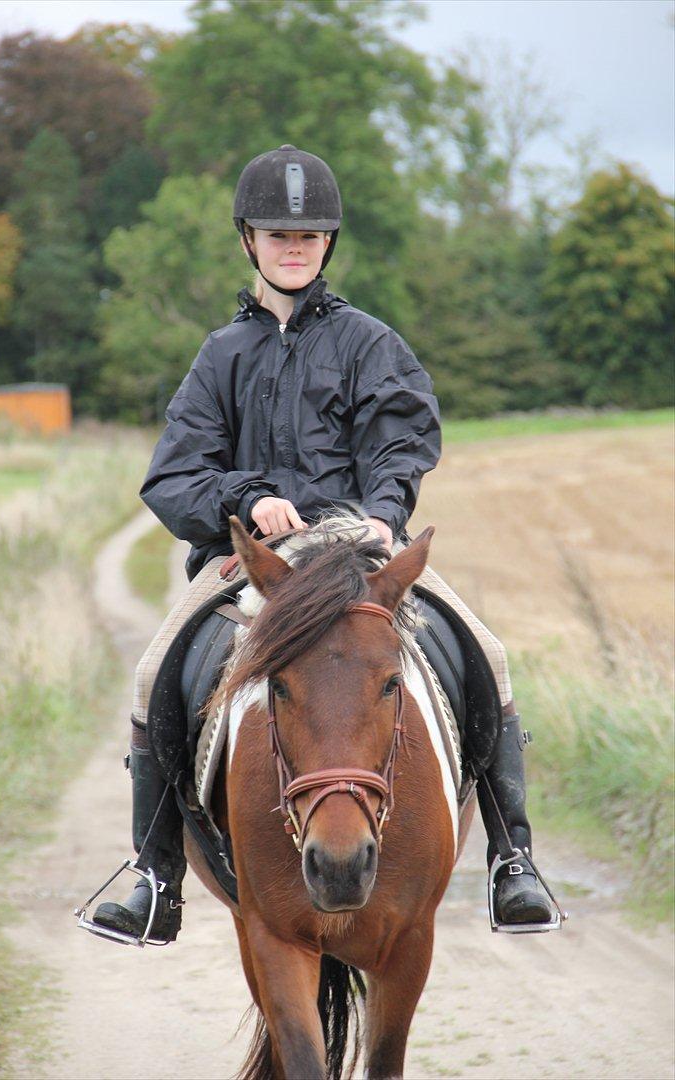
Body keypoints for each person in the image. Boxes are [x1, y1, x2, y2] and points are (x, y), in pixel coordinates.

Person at [91, 145, 554, 945]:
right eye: (276, 235)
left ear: (328, 244)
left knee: (489, 651)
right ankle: (154, 874)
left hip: (357, 549)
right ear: (249, 241)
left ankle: (513, 858)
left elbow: (401, 440)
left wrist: (381, 512)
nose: (292, 247)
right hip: (255, 568)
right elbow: (173, 478)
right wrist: (245, 499)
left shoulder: (371, 344)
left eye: (307, 236)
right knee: (149, 675)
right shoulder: (218, 356)